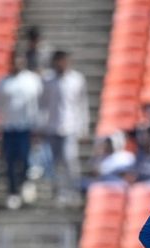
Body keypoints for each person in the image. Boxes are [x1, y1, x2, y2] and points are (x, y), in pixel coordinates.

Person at [0, 54, 43, 210]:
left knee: (25, 157)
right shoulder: (3, 82)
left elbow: (39, 104)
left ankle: (25, 184)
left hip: (25, 128)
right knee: (10, 161)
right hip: (9, 128)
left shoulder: (32, 80)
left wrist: (38, 125)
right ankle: (12, 192)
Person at [39, 50, 89, 205]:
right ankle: (59, 192)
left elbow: (82, 105)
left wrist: (83, 127)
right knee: (55, 162)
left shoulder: (77, 79)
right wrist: (41, 125)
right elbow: (42, 105)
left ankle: (73, 190)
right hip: (52, 127)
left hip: (70, 126)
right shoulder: (47, 80)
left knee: (70, 159)